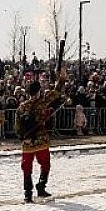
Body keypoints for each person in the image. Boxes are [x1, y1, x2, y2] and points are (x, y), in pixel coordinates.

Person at [15, 70, 66, 203]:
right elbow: (57, 91)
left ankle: (27, 194)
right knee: (45, 164)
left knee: (26, 168)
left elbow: (17, 126)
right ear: (38, 92)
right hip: (41, 140)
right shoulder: (42, 103)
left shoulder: (21, 107)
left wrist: (22, 137)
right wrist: (62, 77)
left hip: (27, 143)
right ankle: (41, 187)